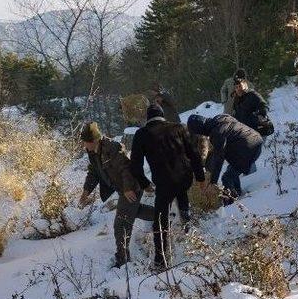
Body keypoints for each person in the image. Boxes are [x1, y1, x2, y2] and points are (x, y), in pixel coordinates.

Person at [130, 104, 206, 270]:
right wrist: (200, 178)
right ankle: (187, 221)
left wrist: (145, 184)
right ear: (162, 115)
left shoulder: (141, 134)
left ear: (148, 118)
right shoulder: (179, 128)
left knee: (160, 220)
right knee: (181, 191)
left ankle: (160, 260)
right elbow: (194, 154)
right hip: (185, 177)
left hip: (164, 183)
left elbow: (135, 166)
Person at [79, 122, 154, 268]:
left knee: (121, 223)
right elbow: (94, 172)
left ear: (93, 140)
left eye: (85, 142)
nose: (83, 145)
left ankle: (122, 259)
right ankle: (165, 217)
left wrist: (127, 188)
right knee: (134, 211)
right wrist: (86, 191)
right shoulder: (92, 152)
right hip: (122, 189)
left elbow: (126, 168)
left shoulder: (112, 147)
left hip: (132, 187)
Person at [187, 114, 263, 206]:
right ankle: (238, 193)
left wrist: (213, 182)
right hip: (256, 140)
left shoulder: (217, 133)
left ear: (200, 130)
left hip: (249, 149)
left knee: (226, 178)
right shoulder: (221, 117)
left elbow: (219, 158)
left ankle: (232, 204)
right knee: (231, 169)